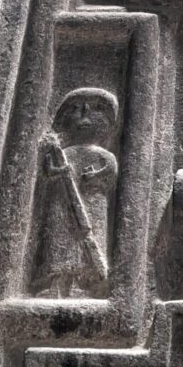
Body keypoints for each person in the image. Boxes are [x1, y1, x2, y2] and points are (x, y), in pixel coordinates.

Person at [35, 88, 118, 298]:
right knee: (58, 241)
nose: (85, 115)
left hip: (92, 202)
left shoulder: (103, 154)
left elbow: (111, 169)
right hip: (61, 203)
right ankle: (55, 285)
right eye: (76, 109)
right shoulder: (63, 153)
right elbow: (49, 170)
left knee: (87, 244)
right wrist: (60, 171)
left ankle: (81, 286)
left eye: (96, 109)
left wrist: (94, 176)